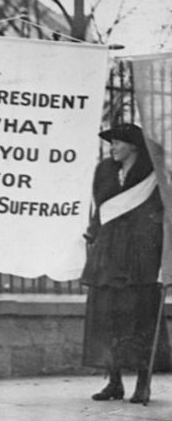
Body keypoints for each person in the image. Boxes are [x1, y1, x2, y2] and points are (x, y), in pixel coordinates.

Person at [82, 123, 171, 404]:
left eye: (118, 142)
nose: (113, 147)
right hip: (108, 256)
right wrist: (94, 234)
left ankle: (143, 384)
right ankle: (114, 383)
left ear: (134, 145)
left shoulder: (155, 174)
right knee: (107, 320)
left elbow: (164, 214)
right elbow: (100, 208)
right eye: (111, 143)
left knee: (140, 320)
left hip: (140, 259)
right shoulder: (104, 171)